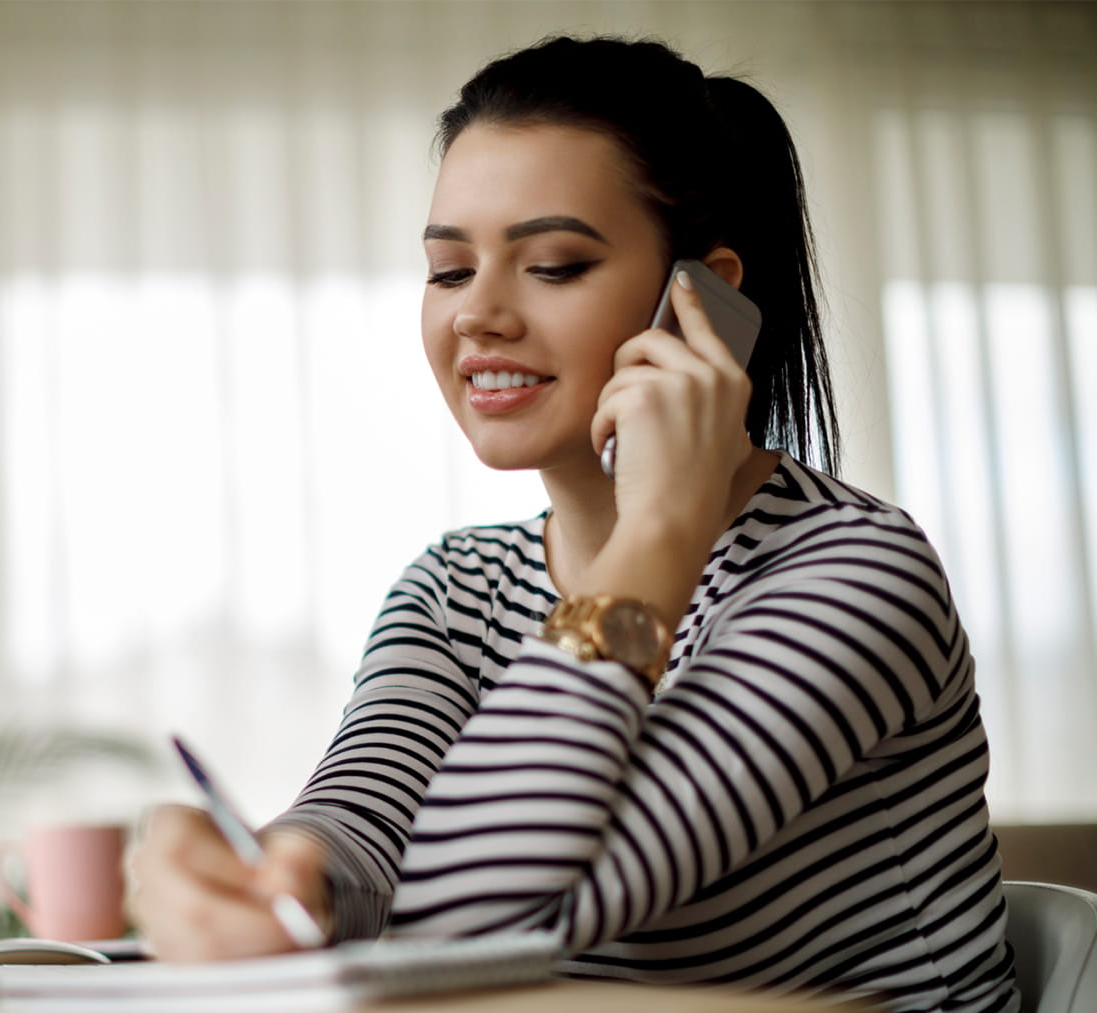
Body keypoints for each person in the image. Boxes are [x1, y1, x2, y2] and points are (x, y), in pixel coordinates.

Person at [129, 35, 1020, 1013]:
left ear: (704, 303)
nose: (478, 314)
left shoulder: (853, 571)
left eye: (552, 264)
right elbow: (363, 840)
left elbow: (490, 911)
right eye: (448, 270)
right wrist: (268, 873)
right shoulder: (456, 587)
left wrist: (663, 522)